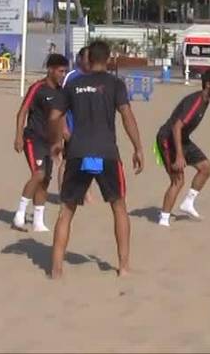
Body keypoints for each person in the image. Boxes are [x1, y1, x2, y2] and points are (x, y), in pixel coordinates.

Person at [48, 40, 144, 279]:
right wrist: (138, 147)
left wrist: (57, 140)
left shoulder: (74, 84)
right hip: (107, 154)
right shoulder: (115, 84)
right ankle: (123, 267)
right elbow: (127, 115)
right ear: (109, 59)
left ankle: (56, 269)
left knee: (66, 212)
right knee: (119, 207)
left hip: (79, 152)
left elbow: (53, 116)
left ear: (88, 60)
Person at [155, 69, 210, 227]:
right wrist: (180, 155)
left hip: (182, 139)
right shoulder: (196, 101)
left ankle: (188, 203)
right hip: (167, 140)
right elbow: (177, 127)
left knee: (206, 168)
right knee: (178, 181)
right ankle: (164, 218)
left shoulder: (206, 100)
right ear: (208, 85)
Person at [12, 54, 69, 231]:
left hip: (50, 142)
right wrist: (18, 136)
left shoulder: (61, 92)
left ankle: (38, 221)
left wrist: (65, 140)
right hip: (33, 138)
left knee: (45, 181)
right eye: (60, 71)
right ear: (51, 69)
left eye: (65, 71)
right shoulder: (37, 88)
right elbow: (22, 112)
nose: (62, 74)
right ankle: (19, 214)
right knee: (38, 175)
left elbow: (61, 120)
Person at [57, 47, 93, 202]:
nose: (89, 61)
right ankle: (62, 193)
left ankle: (85, 193)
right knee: (67, 161)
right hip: (72, 128)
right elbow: (60, 104)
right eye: (86, 57)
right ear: (79, 59)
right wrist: (63, 128)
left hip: (89, 129)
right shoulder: (71, 77)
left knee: (89, 161)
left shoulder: (94, 77)